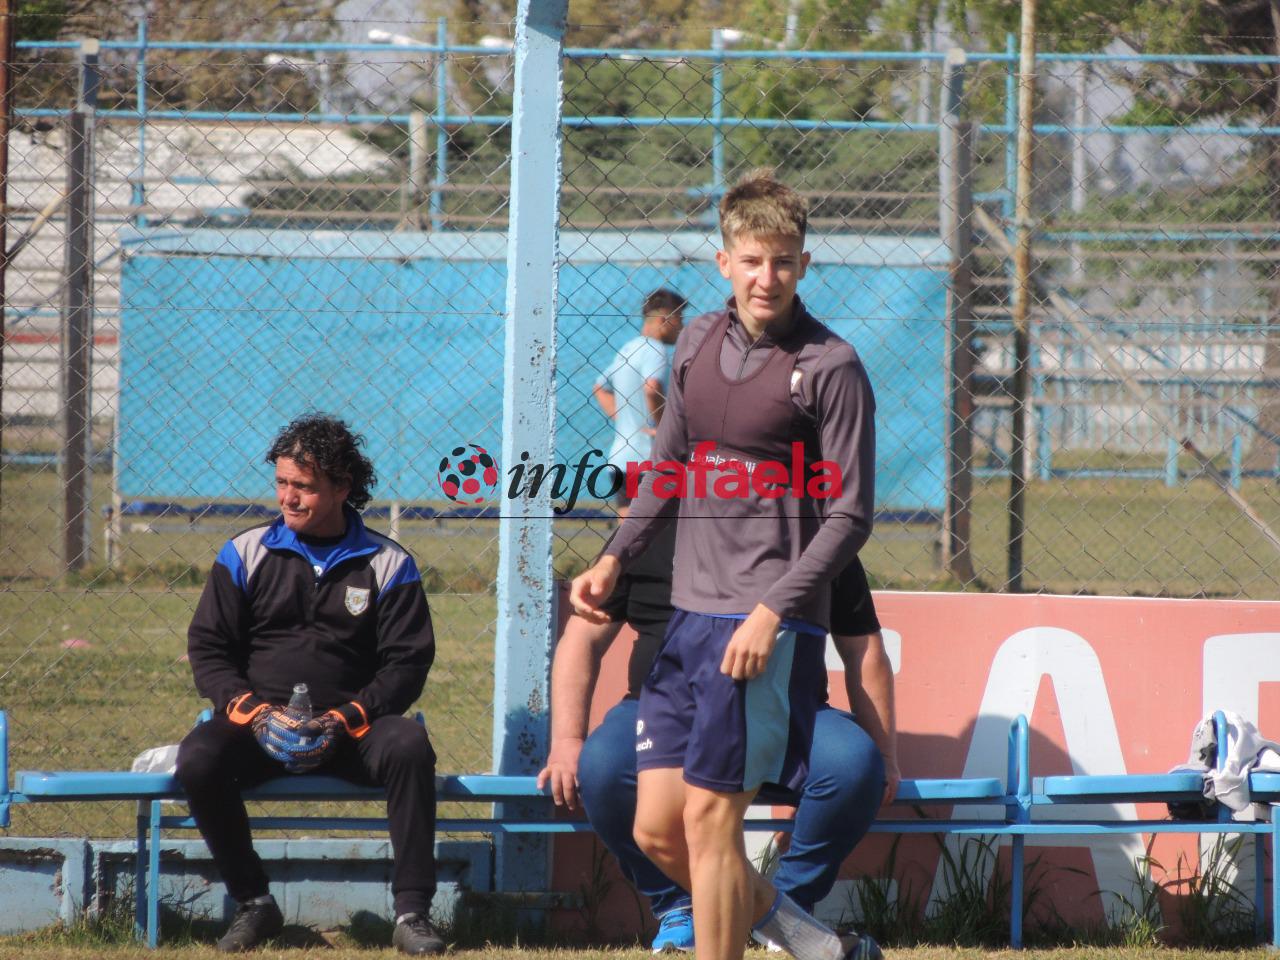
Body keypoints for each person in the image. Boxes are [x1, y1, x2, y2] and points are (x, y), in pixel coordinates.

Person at [570, 170, 878, 960]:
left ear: (804, 264)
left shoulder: (833, 365)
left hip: (763, 629)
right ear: (723, 261)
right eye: (751, 259)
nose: (765, 277)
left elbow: (850, 515)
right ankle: (810, 940)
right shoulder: (698, 343)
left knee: (711, 825)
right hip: (687, 622)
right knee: (656, 827)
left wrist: (773, 613)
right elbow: (666, 469)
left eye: (781, 261)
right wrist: (611, 559)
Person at [540, 520, 898, 952]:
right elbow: (582, 637)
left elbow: (862, 647)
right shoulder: (647, 532)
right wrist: (566, 740)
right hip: (662, 709)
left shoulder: (815, 532)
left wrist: (886, 752)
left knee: (853, 764)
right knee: (602, 766)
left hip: (788, 710)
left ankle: (791, 902)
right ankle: (688, 906)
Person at [176, 414, 443, 955]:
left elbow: (406, 665)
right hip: (262, 729)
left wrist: (343, 719)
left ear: (342, 488)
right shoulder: (245, 554)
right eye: (282, 483)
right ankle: (254, 904)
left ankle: (413, 913)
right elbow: (209, 650)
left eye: (304, 486)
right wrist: (255, 714)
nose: (288, 498)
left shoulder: (389, 564)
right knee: (199, 757)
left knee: (410, 745)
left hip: (351, 732)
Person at [593, 288, 686, 516]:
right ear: (666, 319)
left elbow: (600, 388)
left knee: (627, 534)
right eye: (680, 319)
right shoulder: (656, 350)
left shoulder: (628, 349)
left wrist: (626, 417)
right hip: (649, 459)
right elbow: (652, 388)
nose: (682, 328)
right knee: (661, 533)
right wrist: (663, 427)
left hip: (621, 458)